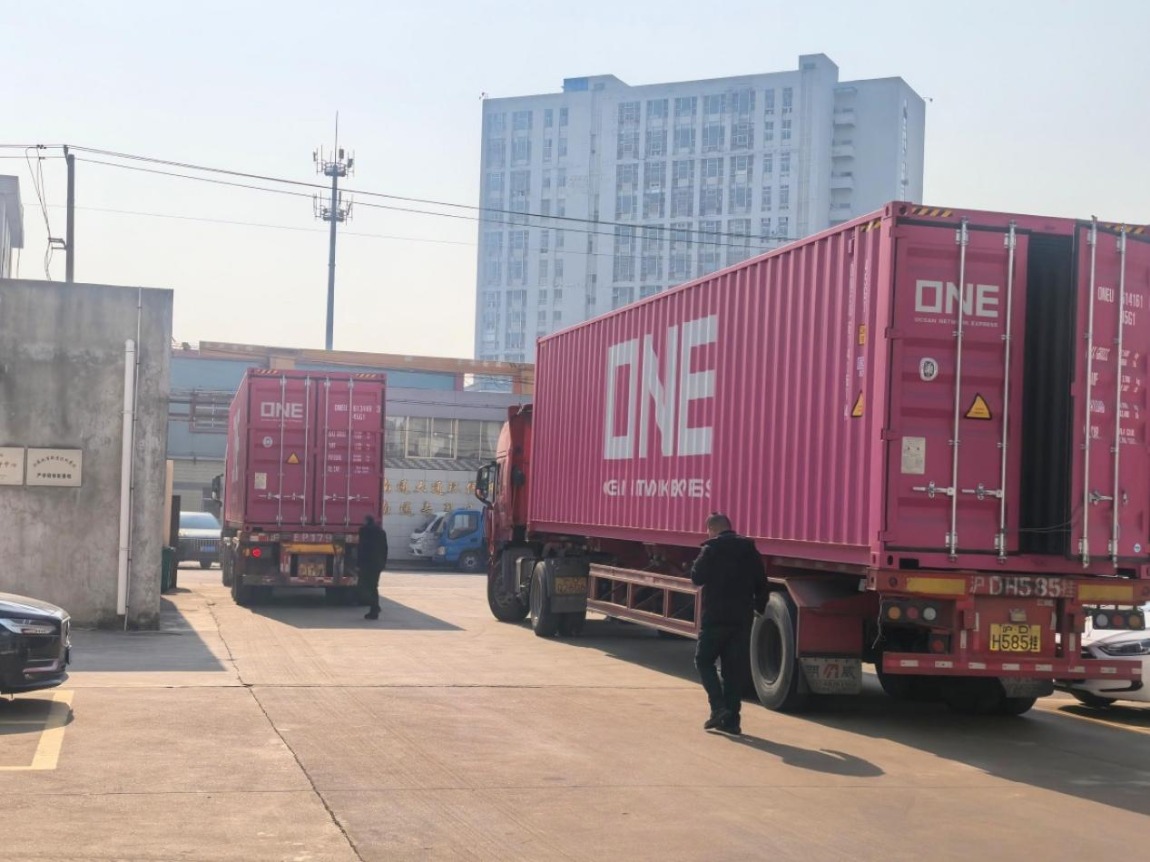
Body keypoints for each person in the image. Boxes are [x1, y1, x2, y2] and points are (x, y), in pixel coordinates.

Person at [689, 513, 767, 735]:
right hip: (741, 619)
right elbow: (762, 582)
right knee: (733, 671)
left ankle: (718, 708)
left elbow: (696, 577)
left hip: (715, 617)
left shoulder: (711, 549)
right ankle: (732, 722)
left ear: (713, 529)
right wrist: (759, 608)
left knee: (703, 661)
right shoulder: (749, 550)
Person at [357, 515, 389, 620]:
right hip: (377, 564)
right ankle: (375, 608)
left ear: (366, 521)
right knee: (373, 586)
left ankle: (374, 607)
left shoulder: (364, 531)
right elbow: (385, 549)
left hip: (367, 564)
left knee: (365, 586)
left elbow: (362, 549)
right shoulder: (381, 532)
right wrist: (383, 563)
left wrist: (359, 564)